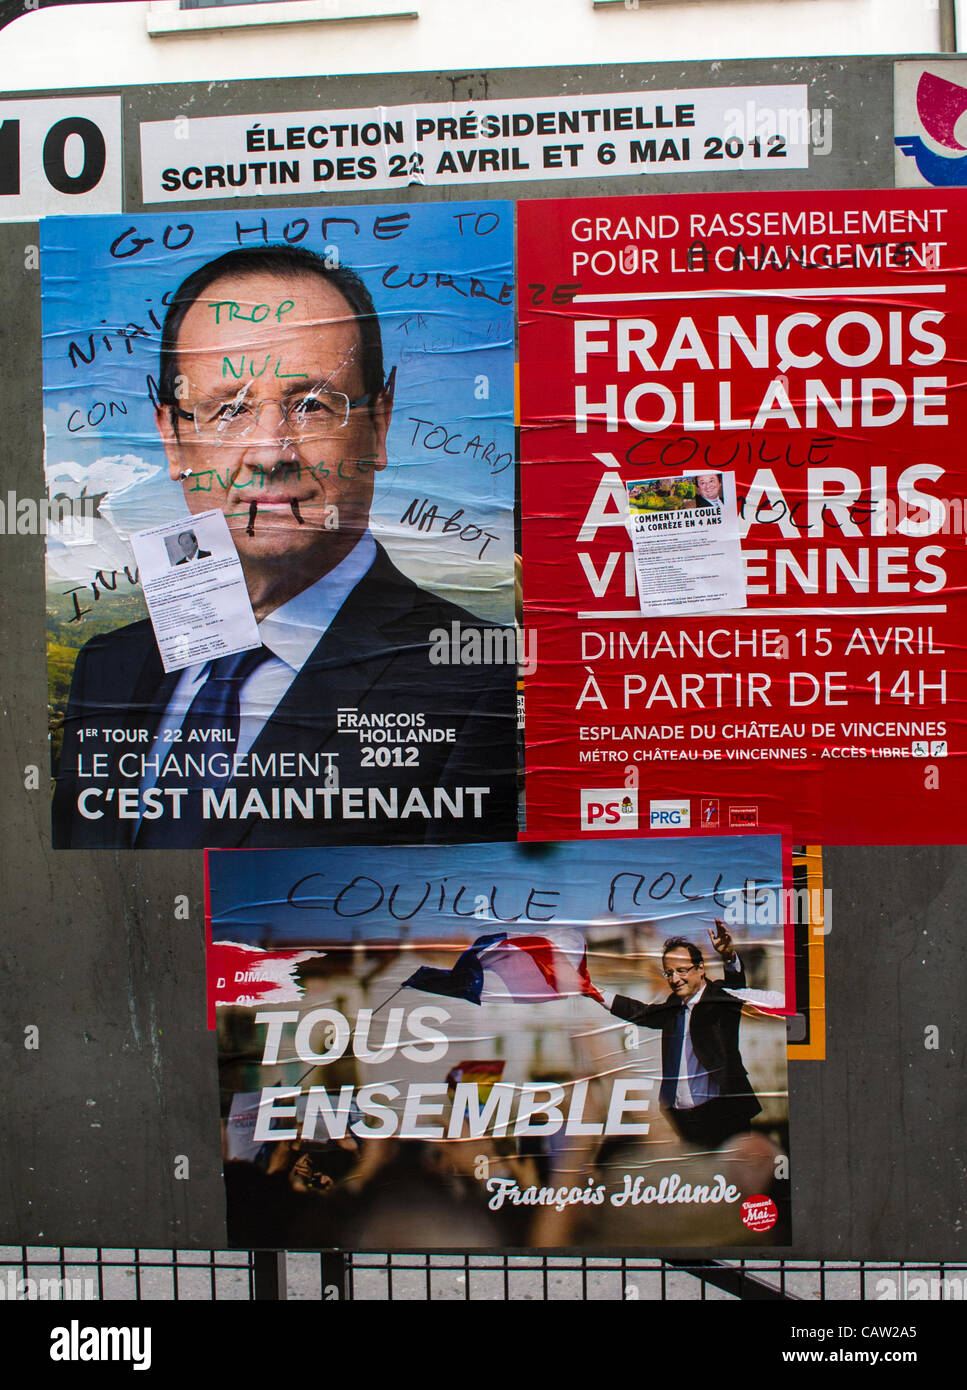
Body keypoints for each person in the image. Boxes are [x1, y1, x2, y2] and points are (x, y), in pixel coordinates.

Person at [52, 245, 516, 849]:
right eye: (228, 410)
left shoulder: (479, 680)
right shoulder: (108, 666)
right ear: (171, 439)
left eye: (313, 406)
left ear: (378, 424)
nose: (271, 452)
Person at [598, 922, 761, 1148]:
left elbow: (736, 984)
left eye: (682, 971)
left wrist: (729, 956)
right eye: (669, 973)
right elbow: (641, 1013)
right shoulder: (674, 1005)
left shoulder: (720, 997)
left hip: (722, 1117)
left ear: (700, 969)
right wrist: (595, 993)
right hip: (682, 1121)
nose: (675, 979)